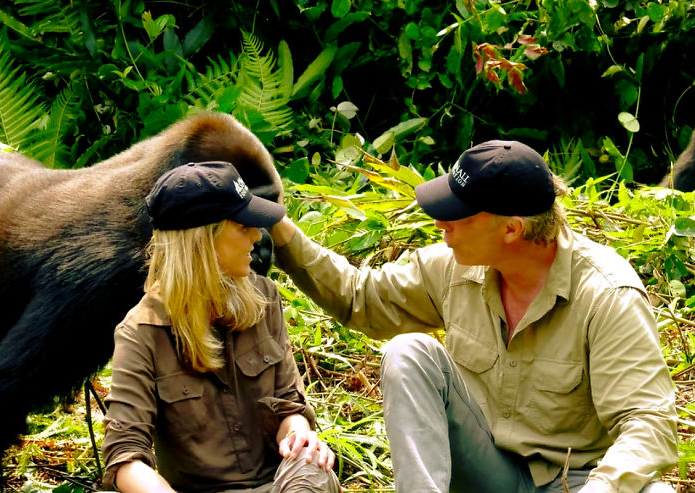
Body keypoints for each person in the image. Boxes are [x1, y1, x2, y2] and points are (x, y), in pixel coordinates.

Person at [269, 141, 678, 493]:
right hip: (482, 470)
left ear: (511, 230)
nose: (440, 224)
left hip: (572, 480)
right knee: (408, 351)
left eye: (458, 214)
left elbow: (648, 421)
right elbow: (361, 296)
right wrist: (277, 227)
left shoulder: (607, 294)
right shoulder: (454, 267)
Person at [101, 161, 341, 493]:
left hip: (281, 485)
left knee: (313, 471)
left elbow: (289, 403)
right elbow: (125, 457)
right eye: (243, 227)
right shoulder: (141, 333)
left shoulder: (264, 297)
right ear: (202, 241)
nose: (257, 236)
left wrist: (299, 435)